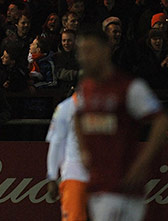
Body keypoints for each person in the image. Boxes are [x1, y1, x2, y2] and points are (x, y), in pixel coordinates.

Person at [74, 27, 168, 221]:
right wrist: (83, 150)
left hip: (122, 188)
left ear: (106, 49)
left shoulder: (130, 87)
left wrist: (142, 163)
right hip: (98, 186)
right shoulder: (86, 87)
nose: (84, 57)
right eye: (81, 51)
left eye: (90, 50)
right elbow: (78, 117)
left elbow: (161, 121)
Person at [46, 93, 89, 221]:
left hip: (104, 172)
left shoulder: (109, 103)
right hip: (75, 172)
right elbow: (56, 142)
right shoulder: (65, 107)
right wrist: (52, 176)